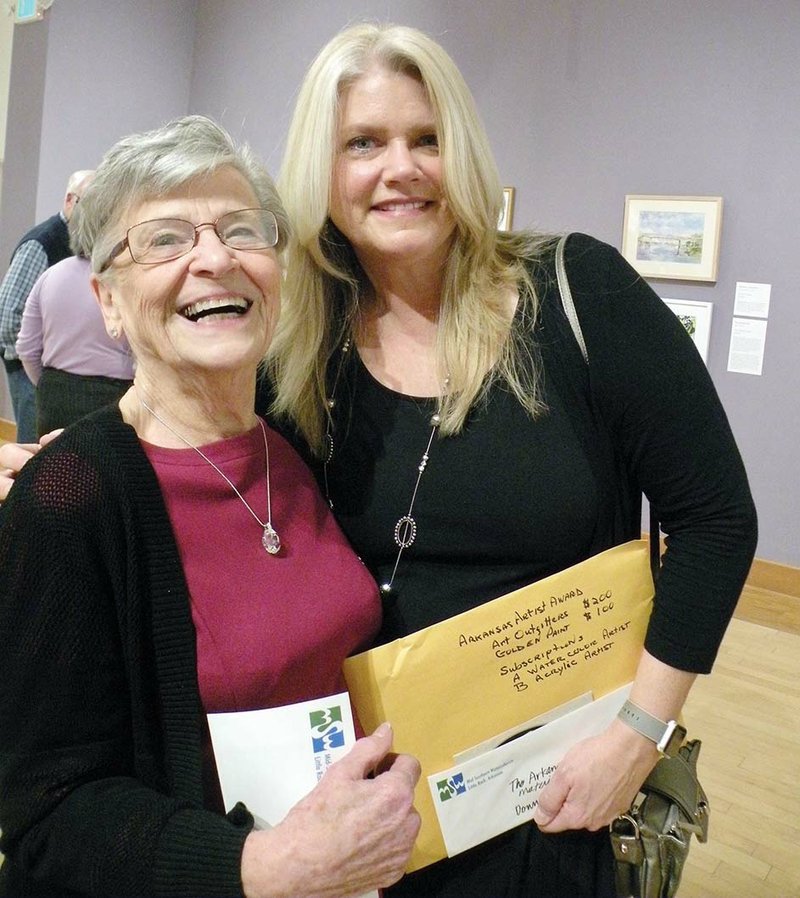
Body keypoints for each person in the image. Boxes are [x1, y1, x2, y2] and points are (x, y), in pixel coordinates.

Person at [266, 22, 758, 898]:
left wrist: (639, 734)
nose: (401, 167)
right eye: (364, 144)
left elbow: (716, 520)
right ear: (322, 170)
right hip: (368, 806)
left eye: (428, 138)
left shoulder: (580, 292)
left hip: (557, 802)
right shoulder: (303, 348)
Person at [0, 115, 420, 898]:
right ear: (109, 302)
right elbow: (48, 813)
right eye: (164, 239)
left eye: (242, 230)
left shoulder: (303, 439)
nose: (216, 259)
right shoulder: (71, 496)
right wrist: (268, 867)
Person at [15, 204, 135, 436]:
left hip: (55, 395)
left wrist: (48, 384)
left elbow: (26, 348)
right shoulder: (123, 280)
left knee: (57, 468)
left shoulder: (51, 275)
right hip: (114, 396)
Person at [0, 169, 94, 441]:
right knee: (31, 450)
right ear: (69, 200)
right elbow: (7, 317)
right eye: (89, 203)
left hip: (52, 374)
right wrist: (36, 366)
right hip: (28, 369)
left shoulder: (84, 244)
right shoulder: (41, 243)